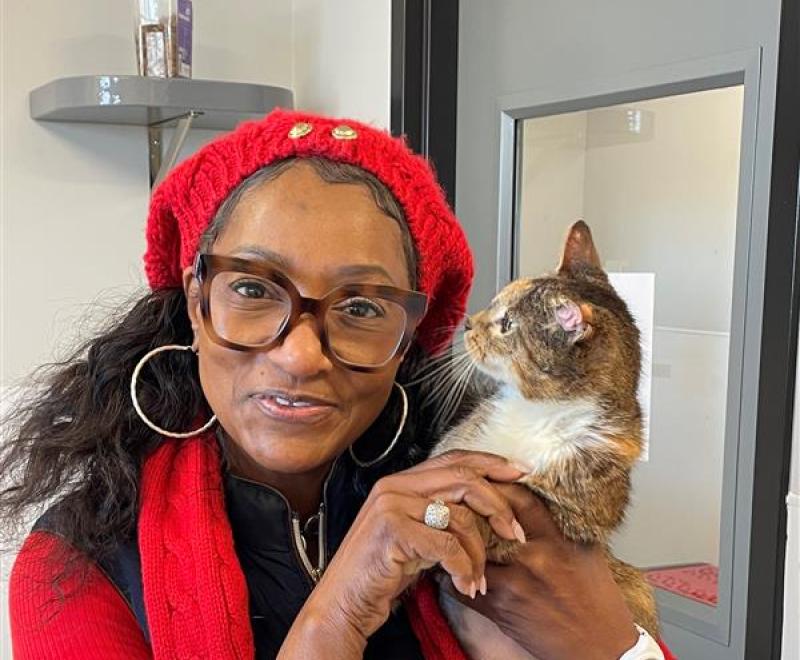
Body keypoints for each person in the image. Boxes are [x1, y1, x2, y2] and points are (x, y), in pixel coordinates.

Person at [3, 109, 674, 659]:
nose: (299, 356)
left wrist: (609, 641)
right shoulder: (76, 569)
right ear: (196, 303)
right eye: (251, 288)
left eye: (361, 307)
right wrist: (338, 616)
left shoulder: (487, 484)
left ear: (408, 334)